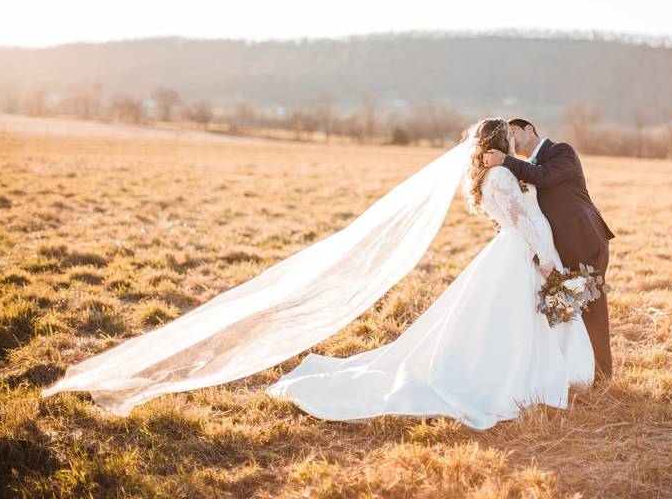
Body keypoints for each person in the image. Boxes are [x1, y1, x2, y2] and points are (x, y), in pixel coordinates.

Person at [43, 117, 594, 430]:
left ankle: (519, 373)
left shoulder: (492, 178)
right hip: (520, 256)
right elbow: (528, 226)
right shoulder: (502, 181)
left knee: (500, 325)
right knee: (507, 325)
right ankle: (509, 380)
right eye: (511, 140)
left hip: (508, 258)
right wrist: (547, 260)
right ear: (501, 145)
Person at [481, 118, 615, 380]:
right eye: (507, 134)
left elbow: (546, 177)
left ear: (529, 129)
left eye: (515, 131)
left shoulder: (560, 151)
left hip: (582, 239)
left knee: (591, 304)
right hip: (553, 248)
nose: (512, 138)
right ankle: (571, 366)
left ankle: (602, 373)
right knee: (563, 307)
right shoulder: (518, 168)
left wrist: (506, 161)